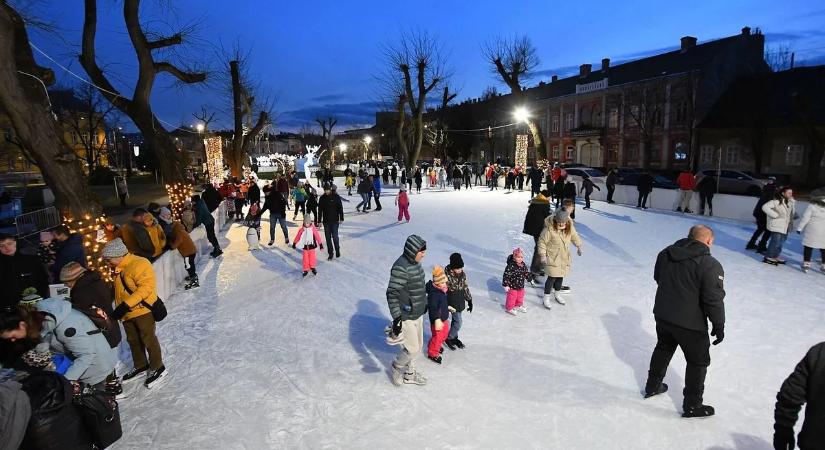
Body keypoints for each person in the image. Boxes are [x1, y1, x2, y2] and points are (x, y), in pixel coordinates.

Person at [643, 225, 725, 418]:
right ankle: (692, 405)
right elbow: (713, 299)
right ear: (709, 241)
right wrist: (719, 324)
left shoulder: (666, 253)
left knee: (663, 347)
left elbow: (659, 278)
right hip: (690, 323)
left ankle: (652, 386)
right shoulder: (710, 264)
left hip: (663, 314)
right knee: (698, 362)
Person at [0, 298, 118, 390]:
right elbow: (46, 340)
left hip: (96, 369)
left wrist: (65, 383)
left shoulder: (65, 326)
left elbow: (86, 355)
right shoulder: (40, 321)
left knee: (95, 412)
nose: (13, 340)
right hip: (80, 366)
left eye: (13, 336)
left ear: (21, 325)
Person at [103, 238, 167, 388]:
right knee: (133, 340)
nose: (108, 263)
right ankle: (141, 365)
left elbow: (146, 289)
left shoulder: (139, 263)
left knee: (148, 339)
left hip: (142, 311)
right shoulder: (120, 268)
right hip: (127, 314)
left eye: (109, 259)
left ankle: (158, 367)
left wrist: (125, 305)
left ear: (118, 255)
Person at [386, 235, 428, 386]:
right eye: (421, 251)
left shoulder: (416, 264)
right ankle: (396, 367)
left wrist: (425, 302)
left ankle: (409, 374)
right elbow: (392, 293)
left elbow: (417, 287)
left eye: (424, 251)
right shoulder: (400, 267)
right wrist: (397, 318)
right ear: (412, 250)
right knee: (412, 349)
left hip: (418, 312)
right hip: (406, 315)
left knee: (418, 346)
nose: (424, 254)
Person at [773, 341, 825, 450]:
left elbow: (790, 394)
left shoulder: (820, 352)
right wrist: (783, 427)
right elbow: (791, 393)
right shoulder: (819, 353)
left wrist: (783, 427)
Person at [537, 207, 582, 309]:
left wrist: (578, 246)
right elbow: (542, 242)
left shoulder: (569, 226)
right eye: (559, 222)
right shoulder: (549, 229)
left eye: (563, 222)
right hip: (552, 257)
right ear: (556, 219)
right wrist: (543, 255)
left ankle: (557, 294)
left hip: (564, 257)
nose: (561, 224)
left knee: (560, 276)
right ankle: (546, 297)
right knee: (551, 278)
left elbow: (574, 236)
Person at [1, 233, 50, 307]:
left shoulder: (32, 261)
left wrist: (39, 298)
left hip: (33, 306)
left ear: (15, 243)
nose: (6, 248)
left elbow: (43, 280)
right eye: (1, 245)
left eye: (9, 243)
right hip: (7, 309)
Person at [160, 207, 199, 290]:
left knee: (188, 266)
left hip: (188, 252)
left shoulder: (178, 230)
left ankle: (194, 280)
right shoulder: (179, 228)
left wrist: (171, 246)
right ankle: (192, 276)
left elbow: (179, 240)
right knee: (189, 265)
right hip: (190, 251)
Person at [762, 186, 796, 266]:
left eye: (791, 193)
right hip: (777, 225)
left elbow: (791, 213)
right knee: (775, 242)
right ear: (783, 193)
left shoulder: (791, 202)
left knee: (781, 243)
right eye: (789, 193)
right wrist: (775, 215)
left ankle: (775, 256)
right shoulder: (776, 201)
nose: (791, 194)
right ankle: (768, 257)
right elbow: (765, 207)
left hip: (785, 226)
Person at [444, 253, 471, 351]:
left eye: (461, 268)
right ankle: (449, 337)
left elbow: (465, 287)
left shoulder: (463, 274)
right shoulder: (447, 276)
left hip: (460, 301)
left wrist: (469, 300)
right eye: (457, 268)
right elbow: (443, 289)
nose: (460, 270)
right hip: (451, 302)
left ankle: (454, 337)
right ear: (452, 267)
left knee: (456, 321)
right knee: (458, 322)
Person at [797, 187, 825, 273]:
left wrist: (800, 228)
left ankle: (806, 264)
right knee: (824, 248)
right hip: (824, 231)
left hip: (812, 230)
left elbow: (806, 218)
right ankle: (824, 265)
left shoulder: (812, 206)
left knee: (808, 247)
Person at [426, 265, 450, 364]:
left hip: (443, 319)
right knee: (438, 337)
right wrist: (436, 319)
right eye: (443, 282)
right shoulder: (434, 294)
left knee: (444, 335)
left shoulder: (441, 291)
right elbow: (433, 308)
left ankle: (436, 345)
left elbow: (441, 304)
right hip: (438, 321)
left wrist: (447, 308)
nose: (445, 284)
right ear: (437, 283)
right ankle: (432, 353)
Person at [523, 193, 551, 276]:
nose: (550, 199)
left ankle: (540, 265)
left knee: (540, 247)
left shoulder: (535, 202)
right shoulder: (544, 204)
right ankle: (535, 268)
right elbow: (548, 217)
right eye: (549, 197)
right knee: (540, 248)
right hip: (540, 229)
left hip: (533, 229)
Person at [746, 183, 777, 253]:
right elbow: (768, 206)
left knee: (760, 229)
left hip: (758, 213)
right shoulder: (770, 194)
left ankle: (751, 243)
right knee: (768, 230)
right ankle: (761, 246)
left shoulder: (766, 192)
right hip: (763, 215)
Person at [502, 248, 533, 316]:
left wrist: (529, 277)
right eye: (518, 257)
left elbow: (525, 272)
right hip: (512, 286)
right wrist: (506, 285)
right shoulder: (511, 266)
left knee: (520, 296)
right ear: (514, 257)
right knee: (512, 297)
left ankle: (518, 305)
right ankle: (509, 308)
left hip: (520, 285)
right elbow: (506, 275)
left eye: (521, 257)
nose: (520, 259)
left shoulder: (523, 264)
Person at [317, 184, 344, 260]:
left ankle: (337, 249)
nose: (326, 191)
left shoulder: (336, 197)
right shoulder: (322, 198)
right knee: (328, 238)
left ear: (330, 189)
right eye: (325, 190)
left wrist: (341, 217)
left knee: (335, 237)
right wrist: (319, 221)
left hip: (335, 221)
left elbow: (340, 208)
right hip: (326, 222)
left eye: (327, 190)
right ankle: (330, 253)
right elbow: (320, 210)